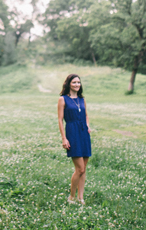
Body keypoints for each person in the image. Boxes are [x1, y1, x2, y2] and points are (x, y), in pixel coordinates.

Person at [57, 73, 92, 204]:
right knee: (80, 169)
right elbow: (60, 120)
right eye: (74, 82)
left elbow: (86, 115)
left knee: (84, 169)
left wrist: (88, 125)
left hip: (84, 133)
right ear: (68, 84)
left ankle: (80, 198)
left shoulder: (82, 100)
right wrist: (64, 138)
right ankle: (71, 197)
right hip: (72, 133)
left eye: (78, 82)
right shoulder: (63, 99)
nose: (77, 84)